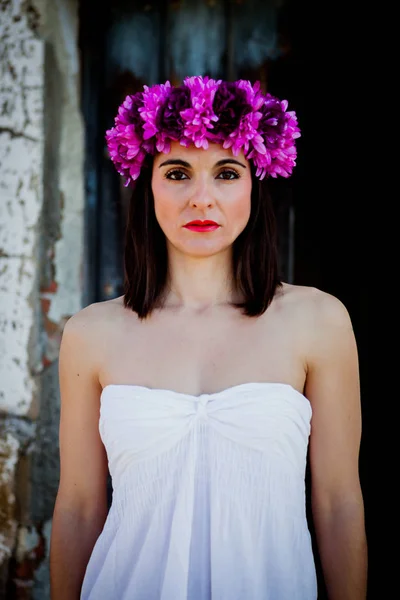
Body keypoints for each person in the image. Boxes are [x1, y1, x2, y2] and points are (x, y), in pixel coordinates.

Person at [49, 76, 367, 600]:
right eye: (177, 172)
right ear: (147, 184)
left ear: (254, 183)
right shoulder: (91, 334)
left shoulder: (319, 321)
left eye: (226, 172)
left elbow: (337, 503)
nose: (202, 198)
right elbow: (80, 506)